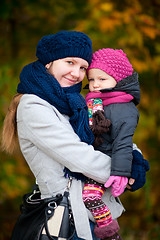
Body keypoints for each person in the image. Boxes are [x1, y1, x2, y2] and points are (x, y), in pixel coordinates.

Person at [1, 31, 149, 240]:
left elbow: (112, 137)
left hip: (92, 215)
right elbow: (80, 158)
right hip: (67, 220)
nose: (77, 73)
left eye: (82, 67)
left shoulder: (74, 103)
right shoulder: (33, 106)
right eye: (70, 62)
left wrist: (136, 159)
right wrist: (124, 173)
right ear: (48, 63)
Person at [82, 48, 150, 240]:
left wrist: (120, 173)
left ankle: (110, 235)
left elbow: (123, 143)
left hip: (110, 162)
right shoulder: (97, 102)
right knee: (88, 198)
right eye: (92, 79)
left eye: (102, 79)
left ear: (118, 80)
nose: (94, 85)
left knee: (90, 197)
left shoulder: (122, 108)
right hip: (96, 158)